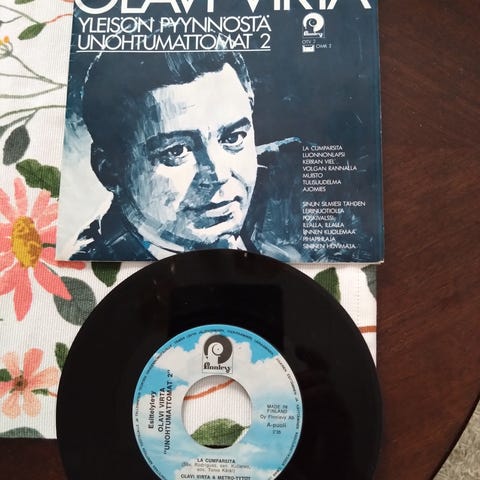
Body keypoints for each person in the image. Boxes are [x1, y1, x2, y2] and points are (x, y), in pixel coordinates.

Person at [72, 49, 259, 260]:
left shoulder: (280, 202)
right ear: (109, 170)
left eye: (233, 138)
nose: (219, 175)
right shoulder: (92, 262)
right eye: (176, 151)